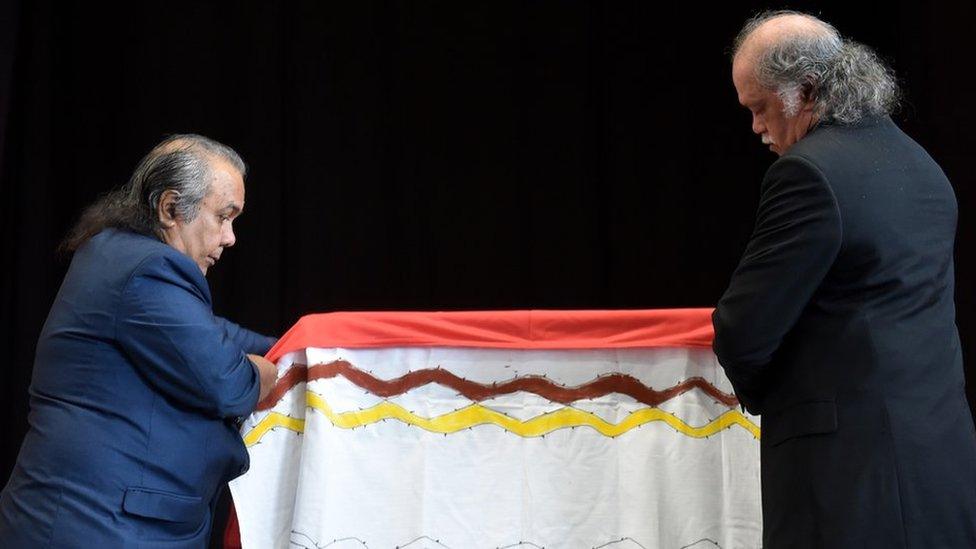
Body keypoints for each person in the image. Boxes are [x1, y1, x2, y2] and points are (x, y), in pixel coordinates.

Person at [712, 10, 976, 548]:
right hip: (939, 464)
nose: (756, 127)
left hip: (848, 482)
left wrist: (768, 393)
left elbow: (743, 330)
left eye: (760, 108)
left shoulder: (807, 173)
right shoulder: (922, 164)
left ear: (806, 89)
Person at [0, 134, 279, 547]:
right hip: (102, 529)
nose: (230, 237)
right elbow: (230, 384)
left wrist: (294, 344)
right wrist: (267, 369)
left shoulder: (121, 255)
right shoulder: (148, 269)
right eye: (224, 216)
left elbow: (211, 332)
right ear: (170, 209)